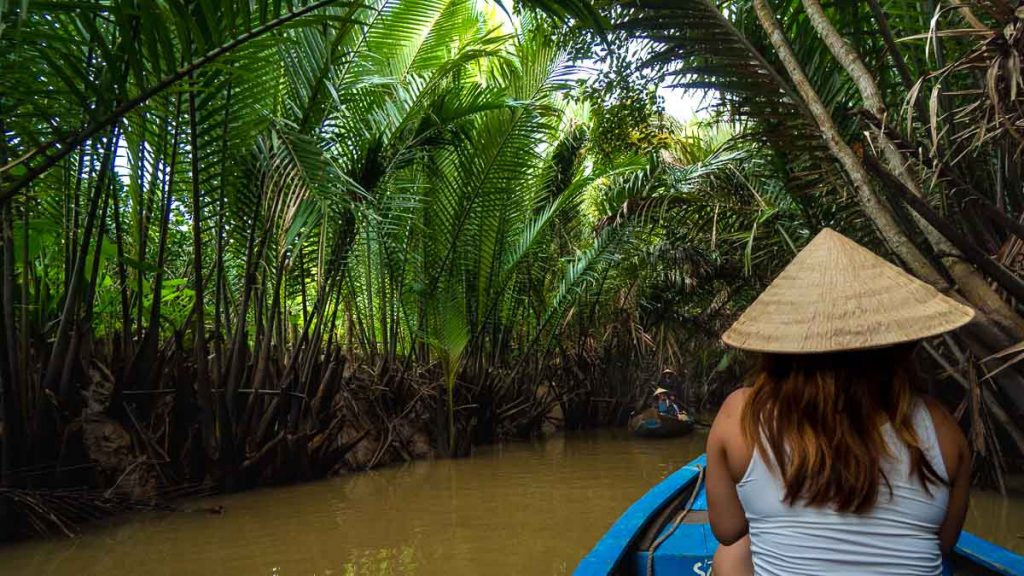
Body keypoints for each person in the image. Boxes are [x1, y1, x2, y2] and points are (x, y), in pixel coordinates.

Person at [707, 228, 974, 576]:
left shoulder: (742, 413)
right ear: (896, 346)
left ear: (783, 345)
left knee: (731, 556)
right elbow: (942, 544)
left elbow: (727, 530)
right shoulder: (941, 426)